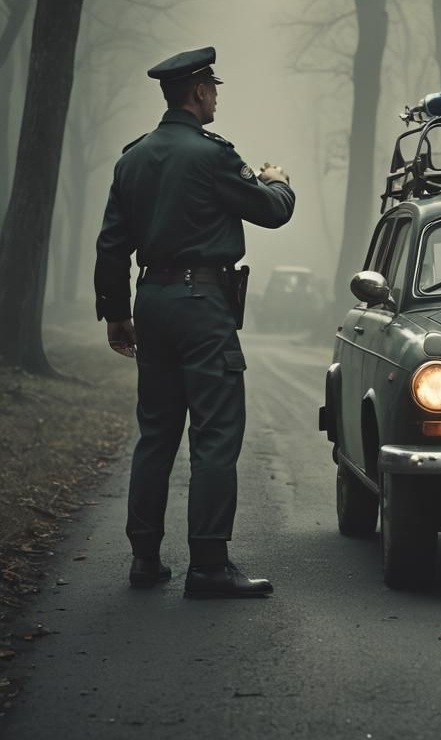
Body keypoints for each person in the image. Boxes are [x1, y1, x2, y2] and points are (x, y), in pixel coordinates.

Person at [94, 46, 295, 598]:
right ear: (199, 92)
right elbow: (272, 211)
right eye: (213, 88)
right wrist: (276, 179)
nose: (216, 97)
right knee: (215, 433)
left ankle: (144, 560)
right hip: (202, 304)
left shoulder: (133, 157)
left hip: (151, 301)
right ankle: (208, 565)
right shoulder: (213, 156)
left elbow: (112, 245)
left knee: (156, 433)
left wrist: (116, 312)